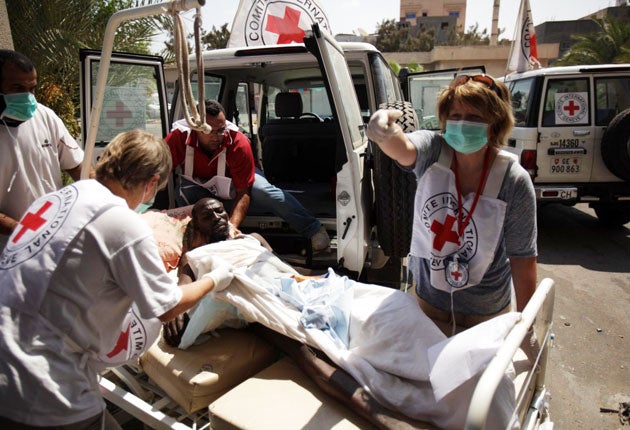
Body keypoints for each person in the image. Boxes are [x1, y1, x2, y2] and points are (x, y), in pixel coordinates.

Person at [0, 130, 234, 429]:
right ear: (150, 184)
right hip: (42, 383)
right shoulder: (122, 222)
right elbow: (166, 307)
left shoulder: (53, 202)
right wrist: (216, 278)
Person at [366, 74, 537, 334]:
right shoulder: (434, 151)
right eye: (455, 116)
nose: (462, 124)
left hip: (487, 314)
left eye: (475, 118)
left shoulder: (514, 181)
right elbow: (404, 148)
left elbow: (522, 259)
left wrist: (527, 326)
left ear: (495, 124)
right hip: (429, 305)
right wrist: (385, 132)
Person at [166, 99, 329, 251]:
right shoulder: (179, 138)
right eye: (211, 131)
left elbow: (244, 192)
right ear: (196, 127)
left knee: (265, 191)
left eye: (221, 130)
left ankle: (312, 228)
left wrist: (231, 229)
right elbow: (158, 171)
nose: (218, 137)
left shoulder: (237, 141)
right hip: (199, 182)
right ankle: (200, 240)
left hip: (235, 180)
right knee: (184, 192)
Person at [0, 49, 92, 250]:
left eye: (32, 88)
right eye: (17, 88)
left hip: (50, 243)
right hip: (7, 252)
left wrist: (109, 197)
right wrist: (28, 230)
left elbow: (79, 168)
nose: (27, 97)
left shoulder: (45, 117)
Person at [162, 196, 271, 347]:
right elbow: (183, 288)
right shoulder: (196, 256)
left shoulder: (252, 239)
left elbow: (278, 267)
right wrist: (176, 312)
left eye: (219, 211)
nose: (216, 218)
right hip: (249, 303)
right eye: (207, 217)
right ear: (198, 226)